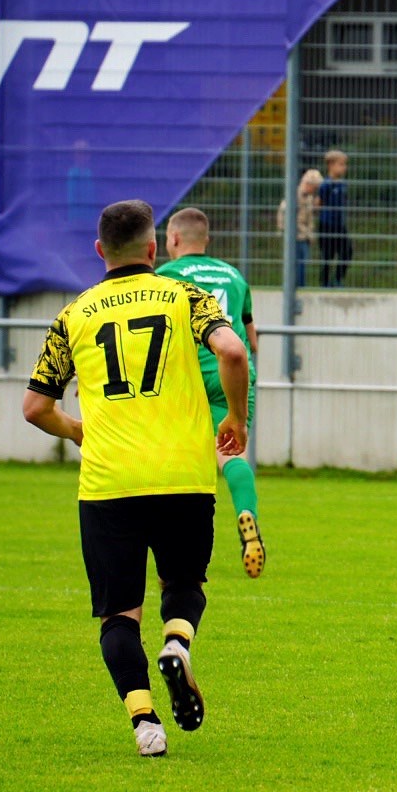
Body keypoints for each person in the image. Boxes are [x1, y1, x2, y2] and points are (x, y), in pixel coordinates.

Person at [22, 199, 251, 758]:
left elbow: (34, 408)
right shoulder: (183, 296)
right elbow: (233, 350)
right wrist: (236, 419)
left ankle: (146, 724)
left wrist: (77, 431)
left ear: (99, 251)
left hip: (109, 483)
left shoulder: (74, 314)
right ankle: (178, 645)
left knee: (119, 615)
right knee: (183, 586)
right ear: (153, 249)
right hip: (182, 476)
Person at [157, 207, 267, 577]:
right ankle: (246, 514)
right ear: (207, 239)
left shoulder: (165, 276)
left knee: (179, 457)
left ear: (173, 239)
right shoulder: (235, 276)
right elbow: (251, 339)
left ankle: (176, 541)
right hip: (233, 374)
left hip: (191, 374)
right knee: (232, 454)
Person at [277, 168, 321, 289]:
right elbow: (286, 216)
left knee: (303, 262)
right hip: (294, 236)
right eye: (315, 187)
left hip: (304, 236)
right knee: (296, 263)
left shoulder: (309, 197)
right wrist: (283, 229)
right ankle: (295, 286)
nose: (315, 190)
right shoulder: (293, 195)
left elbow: (309, 218)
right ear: (309, 184)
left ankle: (300, 286)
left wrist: (310, 233)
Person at [318, 149, 351, 288]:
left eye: (345, 164)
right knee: (327, 255)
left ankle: (337, 279)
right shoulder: (326, 184)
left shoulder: (342, 184)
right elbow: (319, 202)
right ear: (331, 165)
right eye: (341, 164)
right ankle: (325, 283)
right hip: (327, 224)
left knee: (347, 252)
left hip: (340, 224)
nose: (344, 167)